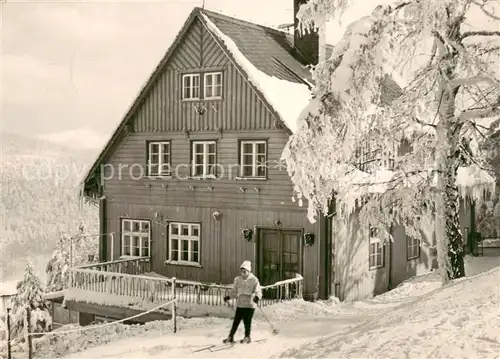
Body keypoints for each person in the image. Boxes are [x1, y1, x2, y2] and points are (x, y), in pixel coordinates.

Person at [222, 260, 262, 344]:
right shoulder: (237, 280)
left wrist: (257, 297)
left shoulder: (254, 280)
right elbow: (234, 291)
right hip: (240, 304)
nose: (243, 273)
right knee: (236, 321)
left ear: (248, 271)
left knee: (247, 321)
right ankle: (230, 337)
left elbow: (258, 291)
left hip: (250, 304)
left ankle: (247, 337)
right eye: (242, 271)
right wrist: (229, 297)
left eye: (244, 271)